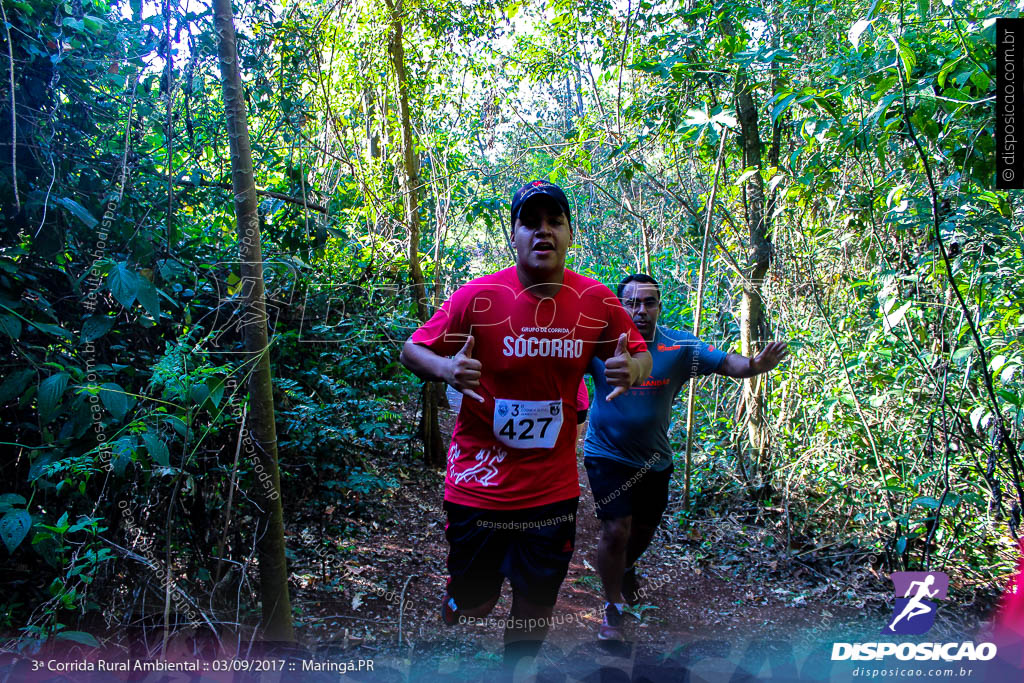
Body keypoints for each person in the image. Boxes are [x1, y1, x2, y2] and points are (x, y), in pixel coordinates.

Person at [399, 180, 653, 671]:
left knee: (535, 604)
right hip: (478, 484)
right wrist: (447, 370)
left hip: (549, 490)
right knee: (477, 605)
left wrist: (633, 369)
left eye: (554, 221)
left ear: (569, 234)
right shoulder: (479, 297)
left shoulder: (596, 302)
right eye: (530, 222)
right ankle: (464, 594)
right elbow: (413, 349)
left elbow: (637, 354)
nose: (543, 232)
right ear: (513, 235)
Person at [583, 273, 789, 641]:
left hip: (654, 460)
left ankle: (627, 567)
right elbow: (558, 368)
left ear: (660, 307)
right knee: (617, 529)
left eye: (649, 302)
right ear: (619, 306)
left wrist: (755, 366)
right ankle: (612, 608)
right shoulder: (599, 344)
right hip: (606, 453)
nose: (640, 310)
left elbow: (727, 363)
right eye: (632, 302)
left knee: (644, 528)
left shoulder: (678, 348)